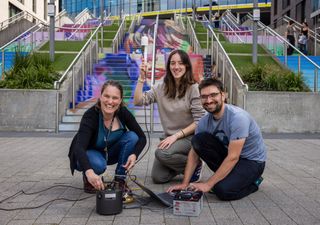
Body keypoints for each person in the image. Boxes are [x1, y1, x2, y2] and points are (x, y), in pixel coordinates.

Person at [168, 78, 266, 201]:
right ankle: (230, 177)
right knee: (198, 140)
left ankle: (254, 183)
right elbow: (193, 154)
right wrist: (185, 183)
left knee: (222, 190)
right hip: (231, 157)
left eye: (213, 95)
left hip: (251, 161)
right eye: (204, 97)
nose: (208, 100)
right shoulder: (204, 121)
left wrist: (208, 184)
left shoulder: (238, 118)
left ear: (223, 95)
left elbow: (233, 157)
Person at [133, 49, 206, 184]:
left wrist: (175, 136)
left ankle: (195, 164)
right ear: (169, 66)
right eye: (172, 63)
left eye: (180, 63)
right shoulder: (161, 87)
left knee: (162, 153)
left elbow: (200, 121)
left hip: (190, 137)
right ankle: (185, 164)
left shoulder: (194, 88)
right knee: (158, 177)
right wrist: (141, 78)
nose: (176, 67)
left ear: (187, 66)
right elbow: (138, 101)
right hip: (171, 139)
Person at [68, 80, 147, 194]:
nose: (110, 101)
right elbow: (79, 148)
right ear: (100, 97)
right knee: (99, 165)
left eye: (115, 98)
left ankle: (119, 179)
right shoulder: (90, 116)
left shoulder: (123, 113)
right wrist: (89, 172)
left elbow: (142, 137)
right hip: (89, 154)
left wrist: (134, 155)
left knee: (132, 136)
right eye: (107, 96)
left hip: (109, 153)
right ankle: (89, 179)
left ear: (120, 100)